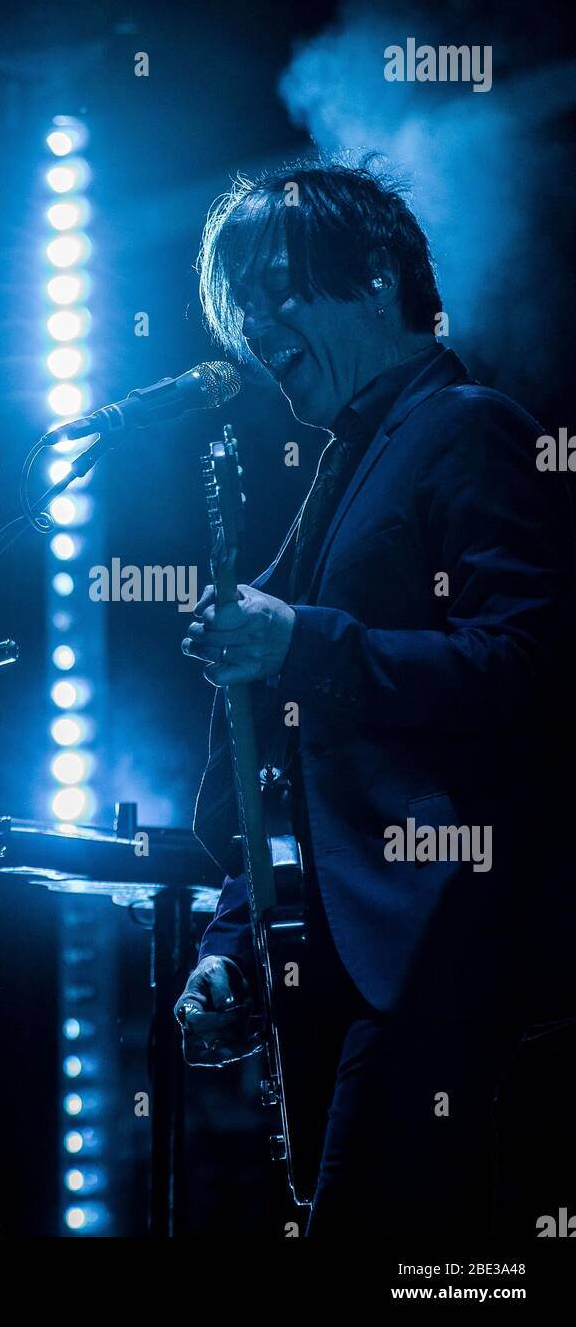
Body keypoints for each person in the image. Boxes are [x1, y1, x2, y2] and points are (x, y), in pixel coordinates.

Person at [175, 158, 575, 1236]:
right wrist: (227, 941)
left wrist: (297, 639)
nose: (252, 325)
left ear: (378, 277)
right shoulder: (345, 466)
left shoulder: (467, 425)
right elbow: (294, 765)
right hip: (360, 966)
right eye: (238, 301)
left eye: (274, 287)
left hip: (451, 949)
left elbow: (528, 667)